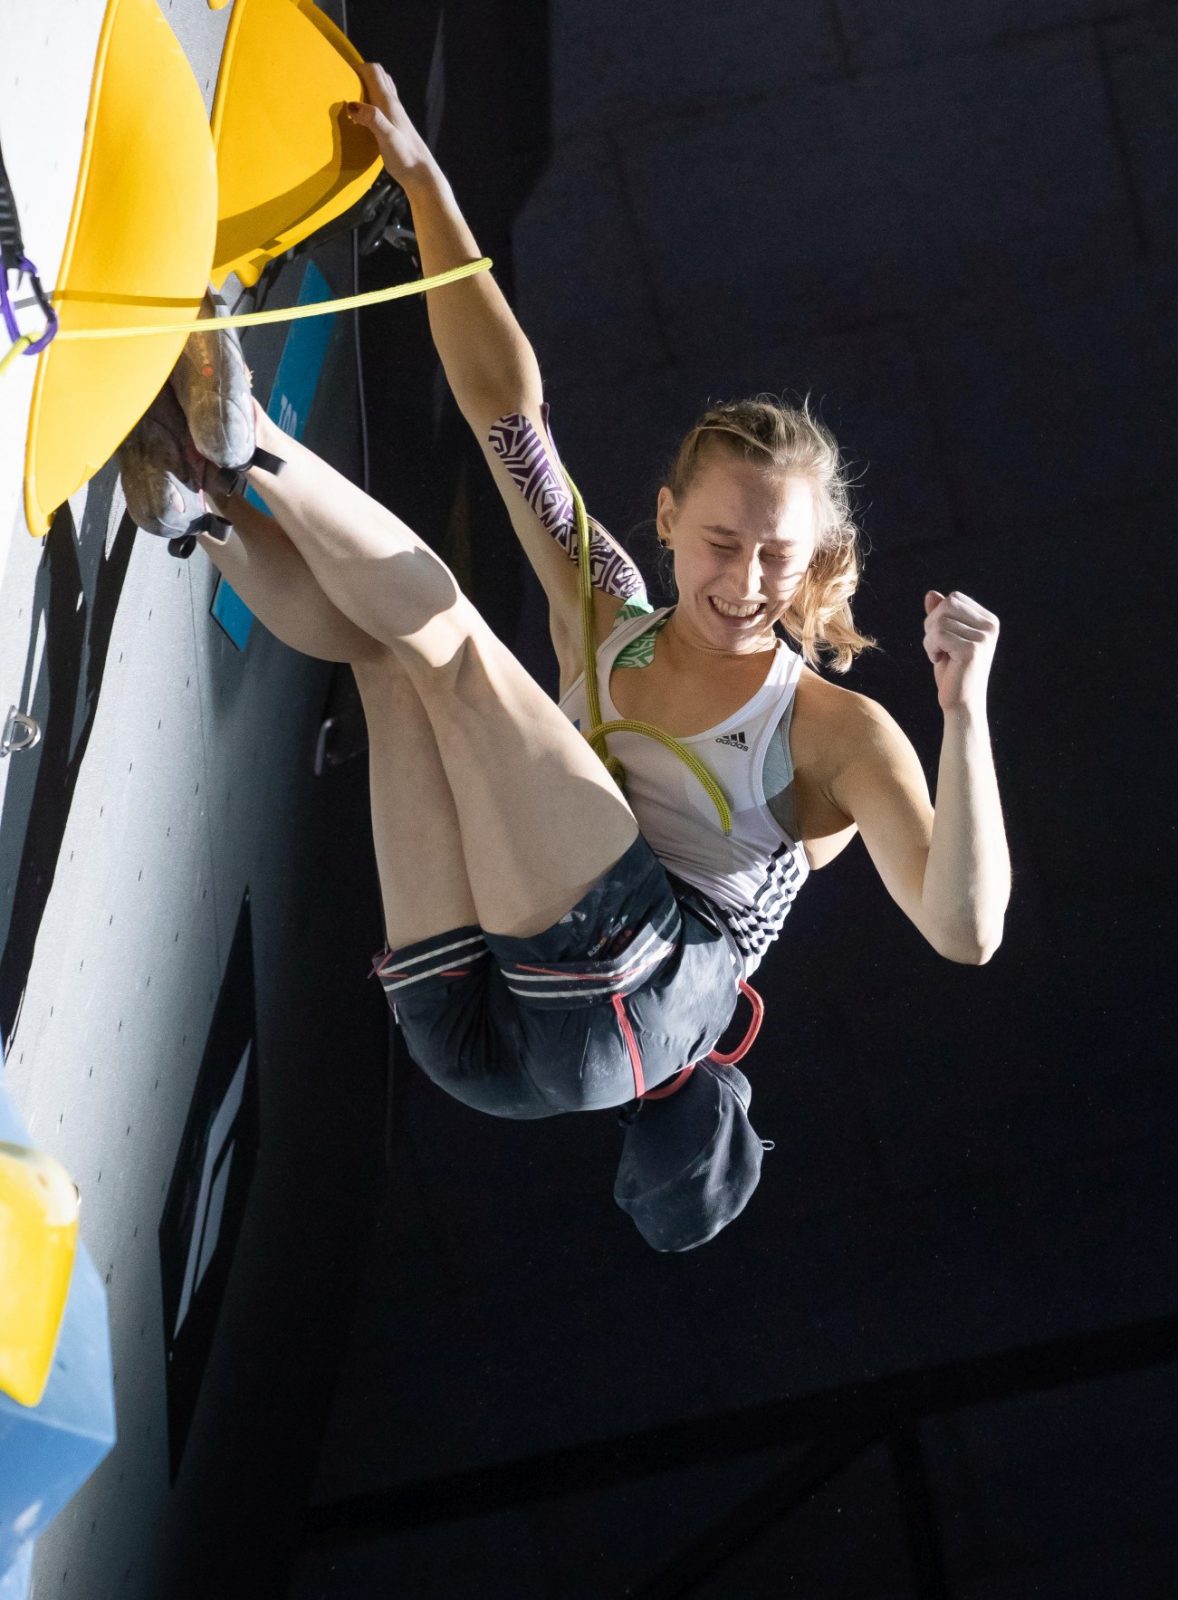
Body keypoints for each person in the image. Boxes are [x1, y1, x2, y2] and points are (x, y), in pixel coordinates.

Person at [116, 64, 1010, 1250]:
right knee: (393, 665)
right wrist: (427, 183)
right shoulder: (605, 602)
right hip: (491, 1047)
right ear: (661, 520)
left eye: (775, 560)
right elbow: (505, 413)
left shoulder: (831, 734)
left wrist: (966, 712)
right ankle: (196, 497)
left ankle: (251, 439)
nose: (743, 585)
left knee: (451, 651)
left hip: (639, 1004)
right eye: (717, 545)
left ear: (816, 562)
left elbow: (966, 928)